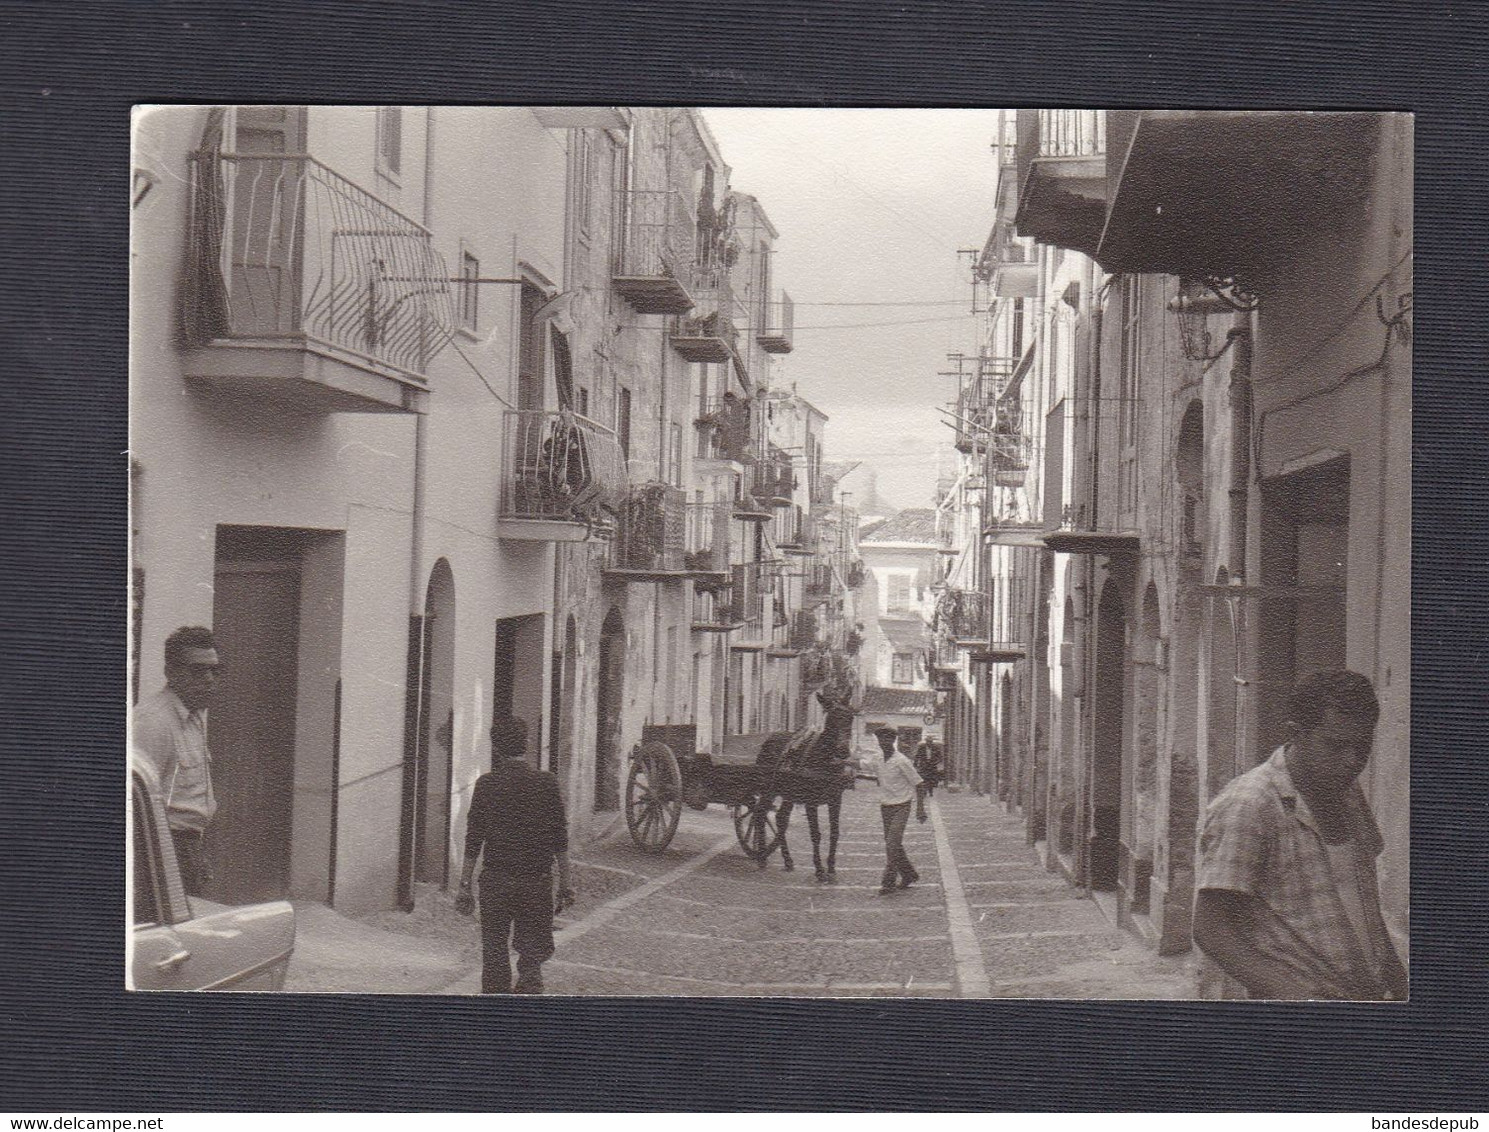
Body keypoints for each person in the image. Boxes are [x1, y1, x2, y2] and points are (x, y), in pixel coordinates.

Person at [1193, 669, 1407, 1000]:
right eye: (1336, 746)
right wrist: (1294, 997)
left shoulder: (1348, 792)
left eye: (1362, 747)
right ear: (1296, 734)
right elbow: (1212, 930)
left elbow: (1365, 900)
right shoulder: (1249, 804)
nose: (1352, 761)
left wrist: (1400, 982)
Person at [454, 715, 575, 994]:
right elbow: (560, 839)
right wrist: (566, 884)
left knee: (494, 954)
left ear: (495, 748)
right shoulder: (547, 783)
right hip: (536, 883)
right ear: (527, 744)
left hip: (496, 883)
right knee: (532, 960)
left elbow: (474, 839)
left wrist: (464, 886)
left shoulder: (486, 785)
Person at [132, 625, 222, 896]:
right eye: (198, 671)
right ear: (170, 672)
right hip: (159, 853)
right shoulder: (153, 722)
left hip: (188, 847)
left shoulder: (192, 717)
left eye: (214, 671)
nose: (209, 679)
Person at [875, 726, 926, 895]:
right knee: (894, 844)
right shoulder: (878, 758)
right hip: (886, 807)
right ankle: (909, 874)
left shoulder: (902, 760)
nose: (884, 743)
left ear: (893, 741)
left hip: (902, 805)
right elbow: (862, 764)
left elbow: (919, 784)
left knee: (892, 843)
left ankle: (888, 882)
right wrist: (842, 762)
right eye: (881, 740)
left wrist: (920, 809)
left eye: (888, 739)